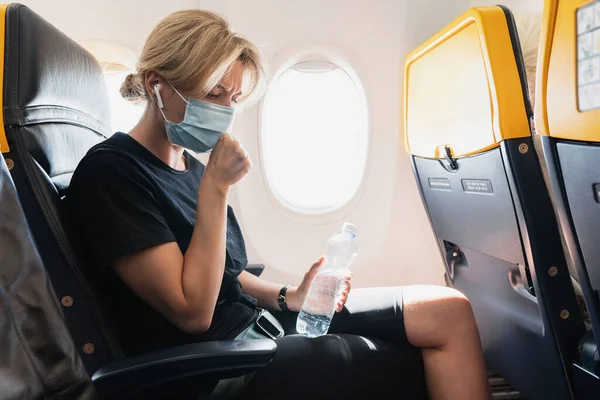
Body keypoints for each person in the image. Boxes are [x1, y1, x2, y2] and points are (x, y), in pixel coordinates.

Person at [66, 9, 491, 400]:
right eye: (214, 93)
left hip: (254, 330)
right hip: (216, 366)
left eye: (233, 99)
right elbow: (193, 311)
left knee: (445, 311)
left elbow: (227, 278)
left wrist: (292, 296)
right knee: (410, 363)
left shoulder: (189, 165)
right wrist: (216, 189)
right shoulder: (112, 174)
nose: (225, 111)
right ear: (158, 84)